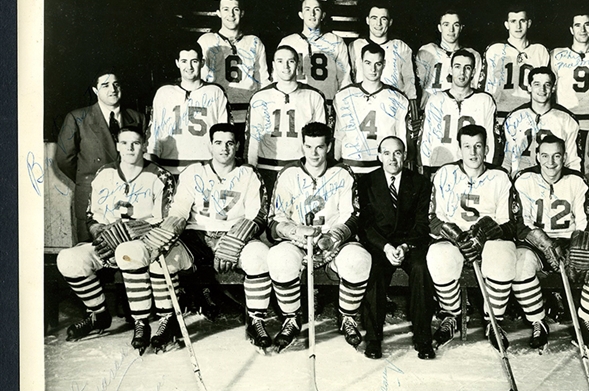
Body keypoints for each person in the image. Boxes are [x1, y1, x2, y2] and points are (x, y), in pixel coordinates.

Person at [56, 125, 193, 354]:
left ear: (144, 145)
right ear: (117, 146)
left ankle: (141, 323)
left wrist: (132, 230)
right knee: (68, 259)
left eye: (136, 143)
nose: (130, 147)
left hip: (144, 244)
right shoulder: (104, 174)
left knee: (127, 251)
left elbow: (165, 222)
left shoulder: (159, 176)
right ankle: (98, 314)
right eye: (125, 143)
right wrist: (100, 231)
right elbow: (92, 216)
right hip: (109, 243)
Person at [154, 123, 273, 348]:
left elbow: (257, 215)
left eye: (230, 143)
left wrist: (237, 238)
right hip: (196, 237)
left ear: (237, 146)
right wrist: (169, 229)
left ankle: (256, 321)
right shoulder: (194, 172)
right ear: (210, 145)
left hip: (233, 237)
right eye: (218, 143)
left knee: (260, 256)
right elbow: (179, 210)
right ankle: (167, 320)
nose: (224, 149)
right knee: (164, 259)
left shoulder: (248, 173)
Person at [267, 122, 372, 351]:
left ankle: (348, 316)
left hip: (333, 243)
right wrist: (294, 231)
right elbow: (274, 220)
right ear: (302, 145)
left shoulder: (342, 173)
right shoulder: (288, 174)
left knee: (359, 259)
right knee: (278, 257)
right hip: (298, 242)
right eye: (309, 146)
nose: (314, 153)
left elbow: (352, 216)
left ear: (329, 146)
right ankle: (291, 318)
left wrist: (333, 237)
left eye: (320, 147)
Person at [513, 135, 589, 350]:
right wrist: (545, 242)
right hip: (536, 243)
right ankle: (538, 321)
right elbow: (521, 224)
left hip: (569, 242)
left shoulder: (577, 181)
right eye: (545, 156)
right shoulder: (524, 180)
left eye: (557, 156)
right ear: (537, 157)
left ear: (564, 157)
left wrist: (580, 243)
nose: (551, 162)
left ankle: (585, 321)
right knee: (520, 261)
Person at [426, 124, 516, 350]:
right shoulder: (445, 173)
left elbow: (508, 223)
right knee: (438, 254)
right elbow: (433, 218)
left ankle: (493, 320)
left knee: (503, 253)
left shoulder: (499, 177)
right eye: (467, 146)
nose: (473, 152)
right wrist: (456, 235)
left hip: (487, 241)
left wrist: (485, 232)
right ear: (460, 149)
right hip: (455, 239)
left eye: (478, 146)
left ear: (486, 149)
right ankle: (452, 315)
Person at [358, 136, 436, 360]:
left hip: (409, 244)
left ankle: (423, 339)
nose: (392, 158)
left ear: (405, 155)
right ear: (379, 156)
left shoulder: (420, 182)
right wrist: (384, 248)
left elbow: (422, 224)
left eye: (398, 152)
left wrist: (404, 246)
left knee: (421, 269)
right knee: (374, 271)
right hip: (380, 245)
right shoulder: (366, 182)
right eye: (387, 153)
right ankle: (373, 339)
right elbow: (365, 225)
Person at [55, 70, 145, 242]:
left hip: (130, 201)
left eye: (116, 84)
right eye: (105, 85)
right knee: (91, 257)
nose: (112, 89)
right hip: (92, 198)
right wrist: (89, 179)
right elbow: (64, 160)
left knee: (128, 257)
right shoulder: (77, 118)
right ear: (95, 90)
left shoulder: (137, 118)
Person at [247, 45, 327, 195]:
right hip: (268, 168)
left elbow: (321, 142)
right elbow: (253, 139)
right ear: (273, 65)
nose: (285, 66)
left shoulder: (314, 96)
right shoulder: (260, 97)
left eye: (290, 61)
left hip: (301, 168)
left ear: (298, 64)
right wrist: (252, 171)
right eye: (280, 61)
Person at [146, 42, 231, 175]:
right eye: (184, 61)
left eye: (194, 61)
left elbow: (225, 135)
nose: (189, 67)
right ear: (177, 63)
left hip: (206, 169)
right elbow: (155, 135)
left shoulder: (215, 92)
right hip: (169, 169)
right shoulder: (164, 93)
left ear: (202, 63)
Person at [334, 42, 410, 174]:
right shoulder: (344, 96)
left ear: (384, 65)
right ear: (360, 63)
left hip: (382, 169)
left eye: (378, 64)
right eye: (368, 63)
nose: (373, 69)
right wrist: (335, 168)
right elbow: (339, 136)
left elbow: (401, 138)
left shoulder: (398, 98)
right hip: (351, 165)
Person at [418, 49, 497, 175]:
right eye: (457, 66)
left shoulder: (484, 100)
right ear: (450, 70)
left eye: (467, 68)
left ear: (473, 72)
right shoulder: (436, 99)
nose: (462, 72)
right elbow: (426, 139)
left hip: (472, 168)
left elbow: (490, 141)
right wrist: (427, 169)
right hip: (440, 167)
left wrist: (486, 170)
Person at [278, 0, 352, 128]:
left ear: (323, 15)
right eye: (307, 9)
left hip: (327, 106)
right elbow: (278, 79)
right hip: (297, 104)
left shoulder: (336, 41)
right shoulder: (288, 42)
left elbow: (345, 80)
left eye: (316, 10)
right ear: (301, 14)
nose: (312, 14)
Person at [502, 66, 581, 177]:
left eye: (547, 85)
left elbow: (572, 161)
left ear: (553, 88)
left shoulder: (567, 119)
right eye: (537, 84)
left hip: (554, 180)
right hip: (521, 180)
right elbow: (507, 160)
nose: (542, 90)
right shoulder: (514, 117)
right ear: (529, 87)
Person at [197, 0, 269, 109]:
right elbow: (201, 79)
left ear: (242, 13)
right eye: (226, 9)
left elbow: (263, 80)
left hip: (248, 108)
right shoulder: (207, 41)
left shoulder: (254, 42)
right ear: (218, 13)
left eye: (235, 9)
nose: (231, 14)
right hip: (217, 107)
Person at [348, 4, 417, 115]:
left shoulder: (401, 47)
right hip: (362, 105)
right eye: (374, 18)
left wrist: (412, 109)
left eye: (383, 19)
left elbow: (409, 81)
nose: (378, 23)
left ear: (390, 22)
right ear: (367, 20)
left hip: (392, 107)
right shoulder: (355, 46)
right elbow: (349, 78)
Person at [483, 8, 550, 120]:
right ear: (506, 24)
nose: (518, 26)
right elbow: (486, 87)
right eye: (513, 21)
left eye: (522, 21)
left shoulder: (540, 50)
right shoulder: (494, 50)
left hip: (531, 113)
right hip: (500, 114)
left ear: (529, 23)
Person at [415, 10, 482, 101]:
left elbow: (474, 88)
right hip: (431, 108)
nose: (451, 29)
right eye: (446, 24)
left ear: (461, 28)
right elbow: (418, 87)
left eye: (456, 25)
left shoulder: (473, 55)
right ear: (439, 27)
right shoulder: (427, 51)